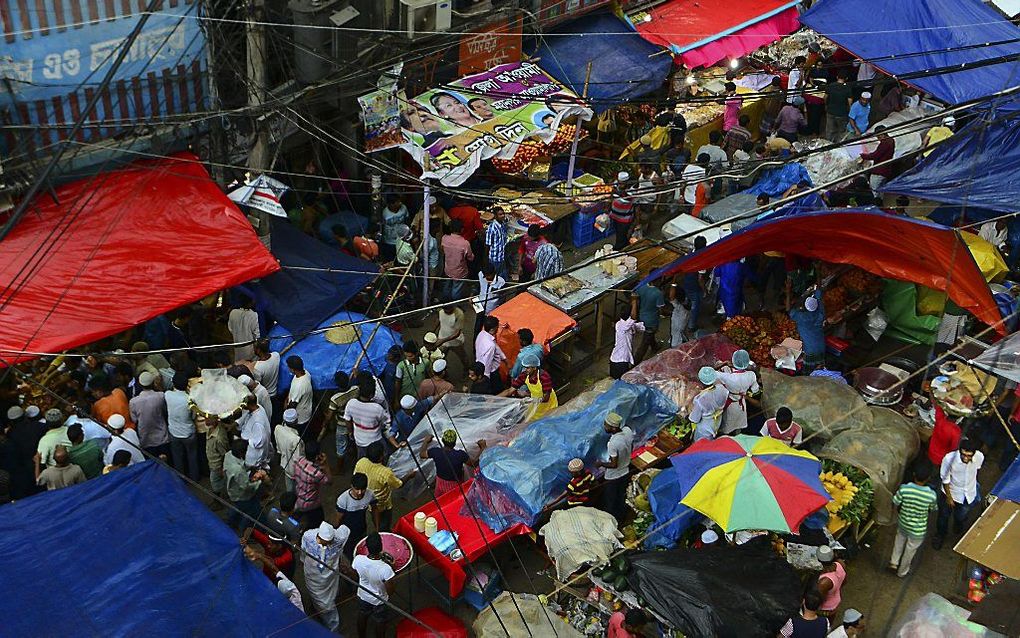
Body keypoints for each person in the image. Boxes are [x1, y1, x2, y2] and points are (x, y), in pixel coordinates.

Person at [889, 463, 937, 576]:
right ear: (929, 478)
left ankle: (893, 562)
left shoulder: (905, 489)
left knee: (899, 542)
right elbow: (933, 508)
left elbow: (895, 501)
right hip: (918, 530)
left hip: (903, 523)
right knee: (910, 551)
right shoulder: (931, 495)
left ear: (914, 474)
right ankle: (902, 572)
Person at [934, 438, 984, 549]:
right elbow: (945, 479)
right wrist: (949, 497)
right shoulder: (949, 459)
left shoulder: (979, 457)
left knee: (961, 516)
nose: (966, 458)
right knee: (943, 517)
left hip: (968, 494)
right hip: (950, 493)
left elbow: (976, 470)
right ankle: (940, 535)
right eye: (963, 454)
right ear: (960, 451)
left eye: (969, 455)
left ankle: (958, 524)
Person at [301, 521, 349, 633]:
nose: (326, 545)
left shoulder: (340, 537)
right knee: (323, 603)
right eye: (323, 542)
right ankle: (326, 617)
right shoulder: (308, 536)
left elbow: (345, 529)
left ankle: (333, 629)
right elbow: (303, 552)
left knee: (329, 600)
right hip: (313, 575)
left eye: (329, 542)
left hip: (330, 577)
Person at [352, 533, 396, 638]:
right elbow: (390, 590)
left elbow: (355, 575)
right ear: (381, 547)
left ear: (367, 547)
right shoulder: (385, 569)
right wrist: (392, 566)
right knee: (380, 621)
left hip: (363, 595)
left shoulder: (358, 559)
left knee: (362, 615)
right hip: (379, 600)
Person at [355, 441, 405, 531]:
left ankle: (379, 528)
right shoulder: (385, 472)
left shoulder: (361, 462)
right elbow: (398, 484)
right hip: (382, 503)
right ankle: (383, 532)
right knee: (384, 521)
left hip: (368, 499)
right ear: (381, 456)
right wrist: (410, 475)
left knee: (374, 516)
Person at [224, 439, 268, 531]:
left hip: (232, 491)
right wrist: (259, 481)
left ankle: (230, 522)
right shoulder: (238, 470)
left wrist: (250, 467)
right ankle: (244, 530)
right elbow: (246, 486)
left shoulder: (228, 455)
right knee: (253, 511)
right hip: (242, 495)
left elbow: (242, 464)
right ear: (241, 453)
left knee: (237, 507)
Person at [597, 412, 633, 521]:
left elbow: (614, 464)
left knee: (610, 501)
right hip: (625, 470)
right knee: (621, 497)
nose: (604, 427)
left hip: (613, 476)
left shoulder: (613, 443)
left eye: (606, 425)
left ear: (613, 428)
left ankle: (612, 521)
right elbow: (631, 445)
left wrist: (601, 464)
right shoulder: (628, 431)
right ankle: (622, 516)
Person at [419, 429, 476, 497]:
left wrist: (426, 441)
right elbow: (474, 464)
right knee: (455, 502)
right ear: (454, 443)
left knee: (441, 501)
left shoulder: (436, 452)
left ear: (443, 441)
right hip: (455, 486)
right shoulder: (460, 455)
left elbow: (422, 454)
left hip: (440, 484)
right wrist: (482, 448)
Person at [501, 353, 558, 421]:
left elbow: (546, 398)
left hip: (548, 406)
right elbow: (509, 391)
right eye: (524, 367)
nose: (525, 369)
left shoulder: (544, 377)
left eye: (527, 368)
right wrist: (493, 399)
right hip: (535, 406)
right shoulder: (524, 376)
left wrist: (531, 399)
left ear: (534, 368)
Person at [342, 383, 392, 458]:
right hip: (376, 440)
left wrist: (350, 432)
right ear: (371, 395)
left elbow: (347, 420)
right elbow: (386, 421)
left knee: (362, 459)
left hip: (359, 440)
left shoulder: (351, 403)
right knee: (384, 455)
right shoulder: (377, 408)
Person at [716, 350, 760, 435]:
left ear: (733, 361)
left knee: (728, 424)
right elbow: (756, 390)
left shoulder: (728, 377)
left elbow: (709, 373)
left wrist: (724, 363)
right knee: (739, 424)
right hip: (741, 402)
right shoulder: (751, 375)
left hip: (730, 404)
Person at [165, 373, 199, 481]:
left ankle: (180, 478)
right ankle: (195, 478)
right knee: (192, 456)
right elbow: (193, 416)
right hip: (188, 432)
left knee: (177, 457)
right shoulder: (189, 399)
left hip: (174, 432)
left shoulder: (167, 395)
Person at [335, 472, 376, 559]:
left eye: (363, 489)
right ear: (351, 486)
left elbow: (375, 510)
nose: (360, 492)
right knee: (350, 553)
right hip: (347, 533)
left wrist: (377, 526)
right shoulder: (343, 499)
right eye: (357, 489)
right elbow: (338, 518)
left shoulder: (370, 495)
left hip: (362, 529)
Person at [293, 441, 332, 529]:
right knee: (317, 522)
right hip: (311, 503)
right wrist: (326, 465)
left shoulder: (298, 460)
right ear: (317, 456)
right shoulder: (315, 473)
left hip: (299, 497)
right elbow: (329, 481)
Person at [791, 288, 826, 371]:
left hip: (810, 350)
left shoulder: (801, 318)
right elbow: (819, 296)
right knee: (820, 367)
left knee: (809, 371)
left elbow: (789, 310)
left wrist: (788, 292)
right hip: (821, 346)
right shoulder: (820, 313)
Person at [690, 367, 728, 441]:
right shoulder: (722, 388)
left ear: (701, 381)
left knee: (701, 445)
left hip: (705, 427)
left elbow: (694, 419)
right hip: (717, 421)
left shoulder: (700, 399)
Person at [633, 280, 666, 362]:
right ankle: (636, 361)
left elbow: (636, 299)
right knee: (645, 342)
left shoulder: (641, 287)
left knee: (649, 335)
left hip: (642, 315)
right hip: (652, 319)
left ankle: (655, 346)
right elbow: (661, 308)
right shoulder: (658, 293)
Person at [237, 394, 273, 469]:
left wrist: (245, 441)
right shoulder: (258, 407)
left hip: (253, 452)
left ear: (248, 404)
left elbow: (260, 440)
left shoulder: (258, 422)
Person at [442, 219, 474, 300]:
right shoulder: (465, 243)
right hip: (460, 271)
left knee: (447, 286)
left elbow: (442, 250)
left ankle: (446, 302)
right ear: (461, 229)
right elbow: (470, 258)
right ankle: (454, 304)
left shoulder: (444, 238)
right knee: (456, 289)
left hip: (448, 268)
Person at [609, 308, 645, 380]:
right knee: (621, 381)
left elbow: (640, 327)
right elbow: (633, 318)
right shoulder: (621, 326)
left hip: (620, 360)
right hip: (619, 361)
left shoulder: (629, 325)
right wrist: (634, 301)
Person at [859, 125, 895, 193]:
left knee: (874, 189)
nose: (878, 138)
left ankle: (875, 202)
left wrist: (863, 156)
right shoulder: (891, 140)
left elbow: (875, 155)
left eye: (878, 136)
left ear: (883, 134)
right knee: (881, 190)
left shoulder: (885, 143)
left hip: (879, 170)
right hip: (886, 170)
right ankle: (879, 202)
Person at [475, 315, 506, 393]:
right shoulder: (490, 345)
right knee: (497, 390)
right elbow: (488, 363)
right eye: (497, 328)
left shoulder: (481, 334)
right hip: (491, 373)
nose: (498, 330)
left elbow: (496, 347)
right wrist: (487, 379)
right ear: (492, 330)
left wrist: (505, 359)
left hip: (481, 366)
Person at [684, 236, 709, 331]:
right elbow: (700, 279)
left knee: (689, 299)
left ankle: (686, 304)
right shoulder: (701, 260)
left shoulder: (689, 253)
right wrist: (705, 290)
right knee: (695, 306)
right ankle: (691, 326)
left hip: (687, 281)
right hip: (694, 285)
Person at [275, 409, 304, 492]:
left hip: (284, 463)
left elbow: (278, 447)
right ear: (296, 421)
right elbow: (298, 459)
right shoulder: (295, 439)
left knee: (289, 486)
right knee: (295, 489)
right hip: (293, 469)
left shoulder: (278, 428)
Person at [394, 341, 428, 409]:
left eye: (410, 356)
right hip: (404, 397)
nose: (408, 358)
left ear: (416, 353)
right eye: (406, 356)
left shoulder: (426, 362)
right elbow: (398, 382)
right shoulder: (401, 366)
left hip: (419, 397)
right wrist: (396, 399)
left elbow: (428, 377)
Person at [815, 545, 847, 617]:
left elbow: (820, 600)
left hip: (826, 608)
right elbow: (844, 582)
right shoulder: (840, 563)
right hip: (836, 600)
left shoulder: (824, 582)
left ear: (819, 560)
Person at [285, 356, 314, 434]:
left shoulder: (299, 386)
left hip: (300, 418)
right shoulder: (305, 373)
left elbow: (293, 405)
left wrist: (286, 411)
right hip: (305, 410)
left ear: (293, 369)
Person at [434, 303, 468, 370]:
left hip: (456, 341)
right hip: (442, 337)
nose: (446, 311)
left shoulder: (459, 314)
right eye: (444, 309)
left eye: (448, 309)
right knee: (439, 357)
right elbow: (439, 319)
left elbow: (457, 333)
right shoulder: (440, 310)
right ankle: (442, 371)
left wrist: (442, 341)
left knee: (463, 357)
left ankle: (466, 369)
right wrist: (433, 331)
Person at [253, 340, 281, 417]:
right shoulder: (276, 355)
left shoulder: (258, 368)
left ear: (258, 350)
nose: (253, 350)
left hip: (267, 396)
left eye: (254, 348)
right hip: (275, 393)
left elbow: (257, 385)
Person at [204, 414, 230, 497]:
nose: (206, 421)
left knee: (215, 483)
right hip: (211, 461)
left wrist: (222, 468)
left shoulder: (219, 437)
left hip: (217, 465)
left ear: (215, 420)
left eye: (209, 419)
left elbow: (224, 454)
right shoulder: (210, 429)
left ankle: (218, 500)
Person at [227, 297, 260, 362]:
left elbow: (230, 329)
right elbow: (257, 335)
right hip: (250, 350)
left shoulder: (233, 312)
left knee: (239, 365)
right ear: (251, 303)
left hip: (238, 347)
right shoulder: (254, 315)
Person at [610, 172, 636, 250]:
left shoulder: (632, 190)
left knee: (622, 235)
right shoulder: (616, 185)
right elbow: (612, 194)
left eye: (622, 183)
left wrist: (636, 222)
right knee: (619, 234)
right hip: (615, 215)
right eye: (619, 183)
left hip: (625, 219)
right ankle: (623, 246)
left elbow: (630, 199)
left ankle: (618, 250)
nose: (620, 185)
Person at [476, 265, 506, 332]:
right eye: (485, 276)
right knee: (477, 327)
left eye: (489, 276)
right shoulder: (480, 274)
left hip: (491, 310)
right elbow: (477, 287)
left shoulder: (501, 282)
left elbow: (503, 297)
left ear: (494, 273)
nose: (487, 278)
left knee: (488, 329)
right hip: (479, 306)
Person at [824, 72, 853, 141]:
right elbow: (850, 102)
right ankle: (838, 144)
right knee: (841, 130)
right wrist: (849, 110)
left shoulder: (830, 85)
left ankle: (828, 143)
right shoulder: (847, 88)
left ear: (837, 77)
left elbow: (825, 97)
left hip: (830, 111)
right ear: (846, 78)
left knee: (829, 130)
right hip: (842, 113)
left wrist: (826, 105)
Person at [381, 194, 409, 262]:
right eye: (398, 202)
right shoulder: (385, 214)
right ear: (391, 204)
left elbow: (407, 219)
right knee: (391, 259)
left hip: (401, 238)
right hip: (389, 241)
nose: (400, 203)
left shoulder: (404, 208)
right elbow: (381, 226)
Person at [485, 206, 508, 278]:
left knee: (502, 278)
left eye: (503, 214)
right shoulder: (492, 228)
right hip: (495, 258)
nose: (503, 216)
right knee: (497, 278)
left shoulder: (503, 224)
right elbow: (487, 245)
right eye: (500, 214)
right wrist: (486, 260)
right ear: (495, 216)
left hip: (502, 257)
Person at [668, 283, 690, 347]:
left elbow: (671, 296)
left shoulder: (679, 307)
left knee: (676, 342)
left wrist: (673, 284)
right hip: (681, 327)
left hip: (678, 330)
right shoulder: (686, 302)